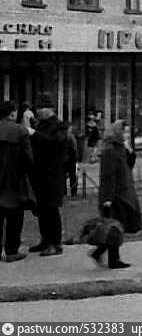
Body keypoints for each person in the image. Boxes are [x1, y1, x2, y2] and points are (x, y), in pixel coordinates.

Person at [92, 120, 140, 270]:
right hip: (115, 194)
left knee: (119, 226)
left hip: (125, 191)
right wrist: (107, 198)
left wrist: (130, 151)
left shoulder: (121, 148)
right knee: (115, 226)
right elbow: (108, 175)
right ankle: (112, 258)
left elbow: (129, 166)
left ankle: (101, 252)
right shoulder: (110, 150)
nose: (126, 135)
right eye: (124, 132)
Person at [28, 93, 69, 257]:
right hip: (40, 174)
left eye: (40, 108)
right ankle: (45, 239)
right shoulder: (41, 125)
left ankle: (56, 242)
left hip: (52, 174)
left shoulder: (59, 127)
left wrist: (34, 134)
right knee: (42, 209)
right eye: (37, 108)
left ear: (49, 109)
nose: (37, 111)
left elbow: (55, 144)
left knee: (51, 209)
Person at [0, 100, 34, 263]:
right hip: (14, 179)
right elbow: (28, 158)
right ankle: (12, 251)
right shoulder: (20, 130)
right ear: (13, 113)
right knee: (15, 217)